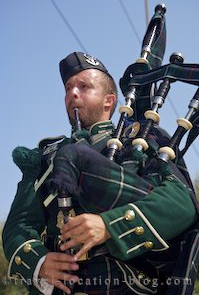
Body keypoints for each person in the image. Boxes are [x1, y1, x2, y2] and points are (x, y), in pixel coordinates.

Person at [2, 51, 198, 295]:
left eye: (84, 87)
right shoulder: (45, 156)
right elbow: (19, 226)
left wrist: (109, 226)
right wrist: (40, 264)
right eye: (68, 88)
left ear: (109, 101)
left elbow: (180, 203)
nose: (73, 93)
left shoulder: (142, 139)